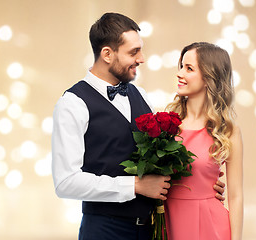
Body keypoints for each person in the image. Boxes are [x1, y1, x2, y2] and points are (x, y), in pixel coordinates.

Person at [51, 13, 225, 240]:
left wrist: (200, 183)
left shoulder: (139, 94)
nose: (141, 59)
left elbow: (157, 163)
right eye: (133, 52)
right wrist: (134, 186)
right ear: (107, 54)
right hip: (103, 231)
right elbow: (66, 182)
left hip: (149, 229)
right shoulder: (73, 103)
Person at [165, 42, 244, 240]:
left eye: (189, 68)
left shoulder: (227, 130)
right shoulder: (165, 124)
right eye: (181, 66)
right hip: (167, 222)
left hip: (211, 227)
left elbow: (236, 196)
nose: (180, 73)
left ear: (209, 78)